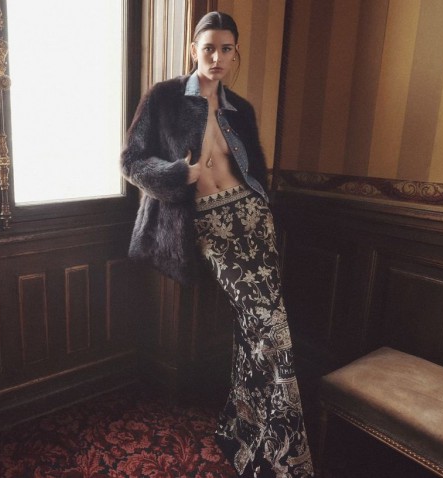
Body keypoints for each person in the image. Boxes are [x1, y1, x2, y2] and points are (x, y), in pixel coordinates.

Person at [121, 11, 314, 478]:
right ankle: (287, 456)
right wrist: (177, 174)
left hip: (254, 219)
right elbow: (130, 161)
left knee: (258, 330)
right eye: (209, 48)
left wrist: (263, 207)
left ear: (234, 53)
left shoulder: (240, 109)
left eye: (226, 49)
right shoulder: (164, 98)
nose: (217, 57)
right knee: (273, 331)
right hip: (209, 225)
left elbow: (255, 170)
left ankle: (245, 432)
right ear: (194, 49)